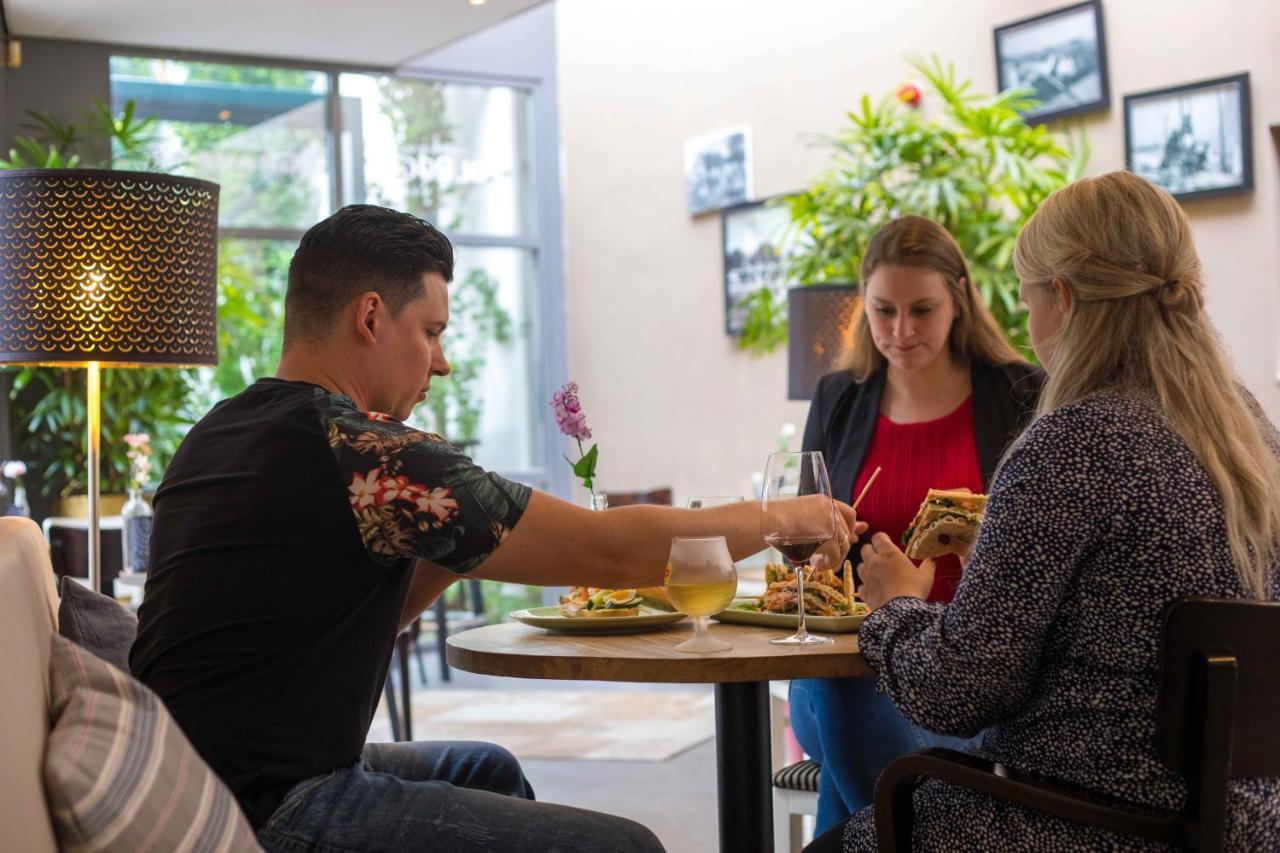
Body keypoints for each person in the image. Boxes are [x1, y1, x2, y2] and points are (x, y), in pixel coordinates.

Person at [129, 204, 860, 853]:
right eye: (432, 331)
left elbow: (325, 622)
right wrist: (777, 516)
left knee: (486, 766)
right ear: (372, 317)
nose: (441, 362)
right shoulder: (365, 451)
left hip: (195, 772)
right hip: (274, 804)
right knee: (625, 844)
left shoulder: (222, 428)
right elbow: (613, 549)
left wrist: (458, 546)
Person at [808, 171, 1280, 852]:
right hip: (1237, 828)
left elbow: (958, 691)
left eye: (1029, 298)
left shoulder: (1073, 442)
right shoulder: (1253, 437)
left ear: (1058, 297)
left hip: (1073, 822)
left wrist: (894, 606)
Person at [788, 215, 1042, 833]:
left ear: (959, 296)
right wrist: (822, 551)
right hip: (848, 661)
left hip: (967, 674)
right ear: (863, 306)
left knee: (849, 770)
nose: (900, 332)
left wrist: (923, 595)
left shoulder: (1019, 393)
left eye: (922, 310)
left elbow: (1035, 562)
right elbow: (801, 538)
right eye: (883, 311)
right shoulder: (838, 397)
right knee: (836, 686)